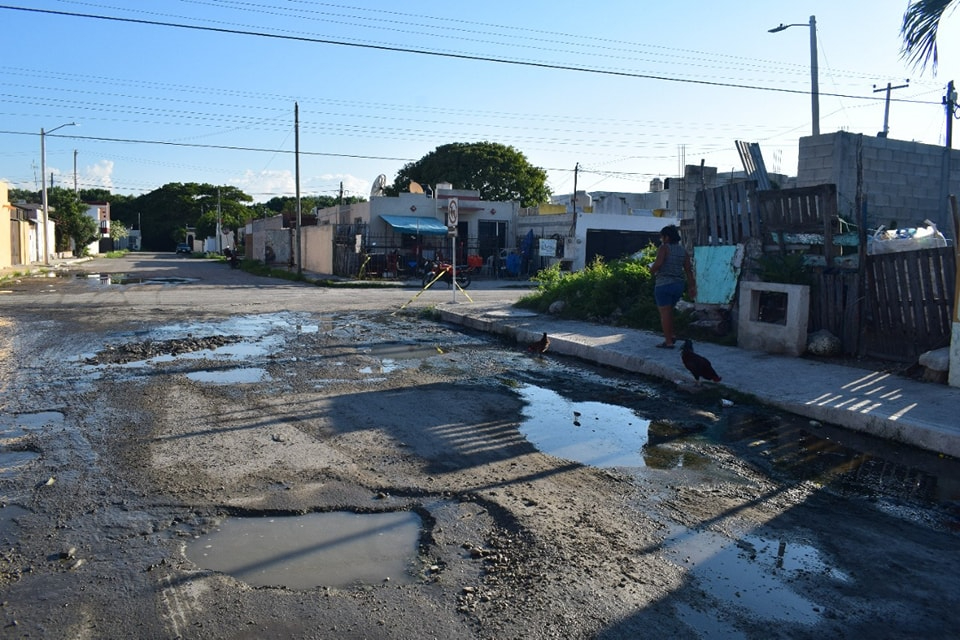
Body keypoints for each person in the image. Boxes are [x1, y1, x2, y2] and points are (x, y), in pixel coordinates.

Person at [649, 224, 696, 349]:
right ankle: (671, 335)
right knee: (670, 312)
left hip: (663, 284)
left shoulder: (664, 248)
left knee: (664, 313)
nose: (661, 239)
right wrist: (692, 287)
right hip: (678, 285)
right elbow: (688, 270)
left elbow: (658, 264)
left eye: (662, 237)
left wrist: (651, 271)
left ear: (667, 237)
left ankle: (668, 341)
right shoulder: (683, 250)